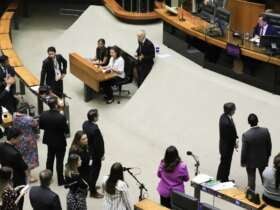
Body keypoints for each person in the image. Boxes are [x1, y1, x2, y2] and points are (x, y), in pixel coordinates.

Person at [39, 96, 69, 186]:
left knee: (50, 158)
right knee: (59, 161)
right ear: (56, 105)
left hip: (49, 139)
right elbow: (66, 131)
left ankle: (48, 177)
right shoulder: (61, 117)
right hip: (60, 141)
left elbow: (41, 127)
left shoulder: (43, 114)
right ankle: (60, 180)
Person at [241, 113, 272, 191]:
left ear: (249, 123)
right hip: (263, 159)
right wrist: (267, 156)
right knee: (264, 179)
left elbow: (244, 150)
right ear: (258, 121)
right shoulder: (265, 131)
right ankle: (267, 193)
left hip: (250, 161)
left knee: (251, 179)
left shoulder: (246, 135)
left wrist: (243, 161)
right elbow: (269, 145)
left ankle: (252, 195)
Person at [0, 127, 28, 210]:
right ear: (13, 138)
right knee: (19, 200)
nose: (20, 140)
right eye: (19, 138)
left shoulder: (1, 146)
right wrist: (27, 181)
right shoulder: (15, 154)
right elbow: (25, 167)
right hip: (17, 179)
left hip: (4, 174)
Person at [82, 109, 105, 198]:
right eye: (97, 115)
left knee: (90, 170)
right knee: (95, 172)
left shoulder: (85, 124)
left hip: (88, 151)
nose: (98, 117)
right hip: (95, 154)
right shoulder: (95, 129)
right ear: (94, 117)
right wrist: (102, 154)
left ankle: (92, 185)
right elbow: (98, 144)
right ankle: (93, 192)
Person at [13, 111, 39, 183]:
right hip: (29, 141)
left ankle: (22, 173)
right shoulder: (28, 119)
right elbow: (36, 124)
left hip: (19, 139)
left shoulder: (14, 116)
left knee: (21, 157)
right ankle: (29, 177)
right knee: (29, 158)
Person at [216, 102, 238, 182]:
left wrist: (236, 137)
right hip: (226, 148)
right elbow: (229, 137)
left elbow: (232, 131)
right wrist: (235, 142)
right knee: (225, 164)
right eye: (234, 109)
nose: (235, 111)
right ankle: (222, 179)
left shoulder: (224, 116)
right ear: (230, 111)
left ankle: (222, 178)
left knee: (225, 163)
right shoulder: (226, 123)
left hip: (226, 146)